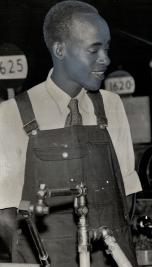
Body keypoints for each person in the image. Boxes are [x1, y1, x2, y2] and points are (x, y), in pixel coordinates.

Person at [0, 1, 141, 266]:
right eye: (93, 50)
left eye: (107, 48)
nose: (106, 59)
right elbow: (5, 214)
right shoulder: (11, 114)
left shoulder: (112, 106)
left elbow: (127, 194)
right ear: (60, 49)